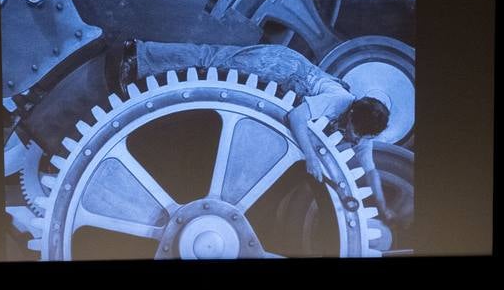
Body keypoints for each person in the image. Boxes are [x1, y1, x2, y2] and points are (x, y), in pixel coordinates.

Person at [121, 40, 394, 220]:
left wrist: (383, 208)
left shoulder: (364, 127)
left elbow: (370, 170)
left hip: (284, 82)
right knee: (213, 60)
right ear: (353, 111)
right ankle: (139, 54)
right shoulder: (338, 100)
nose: (354, 138)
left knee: (210, 66)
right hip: (281, 65)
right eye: (354, 131)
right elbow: (296, 117)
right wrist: (311, 158)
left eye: (361, 136)